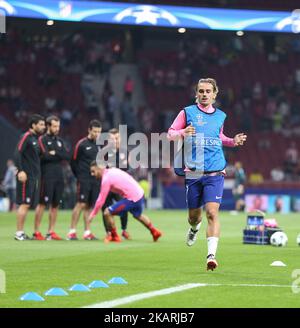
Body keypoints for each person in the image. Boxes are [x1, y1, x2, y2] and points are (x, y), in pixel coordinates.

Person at [167, 78, 247, 271]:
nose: (204, 94)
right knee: (194, 217)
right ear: (197, 93)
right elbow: (170, 134)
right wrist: (183, 132)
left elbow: (219, 137)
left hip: (215, 171)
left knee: (212, 212)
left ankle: (211, 255)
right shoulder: (187, 112)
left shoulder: (220, 116)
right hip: (193, 173)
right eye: (201, 91)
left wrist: (232, 141)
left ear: (214, 94)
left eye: (208, 91)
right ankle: (194, 229)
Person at [88, 161, 162, 243]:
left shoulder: (106, 179)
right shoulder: (113, 170)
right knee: (138, 215)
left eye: (93, 171)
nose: (92, 174)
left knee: (107, 212)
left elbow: (101, 199)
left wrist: (93, 214)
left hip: (132, 197)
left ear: (100, 168)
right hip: (139, 193)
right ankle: (155, 232)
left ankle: (114, 236)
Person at [33, 116, 70, 240]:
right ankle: (36, 231)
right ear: (48, 126)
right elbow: (44, 156)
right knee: (42, 203)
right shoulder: (42, 139)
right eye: (54, 126)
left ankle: (51, 232)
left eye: (58, 126)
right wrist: (56, 154)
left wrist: (55, 153)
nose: (57, 129)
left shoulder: (60, 141)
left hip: (59, 176)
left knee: (55, 205)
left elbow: (66, 155)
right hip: (46, 176)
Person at [68, 120, 102, 240]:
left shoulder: (99, 145)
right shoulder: (81, 144)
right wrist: (79, 175)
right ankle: (72, 231)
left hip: (95, 180)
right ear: (89, 130)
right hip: (84, 179)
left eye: (99, 132)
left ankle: (87, 232)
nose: (97, 134)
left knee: (88, 206)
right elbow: (73, 161)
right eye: (94, 131)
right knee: (81, 204)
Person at [14, 114, 46, 240]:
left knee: (27, 204)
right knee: (24, 204)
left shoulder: (35, 139)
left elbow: (40, 155)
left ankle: (21, 232)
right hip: (26, 177)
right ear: (33, 125)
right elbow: (17, 153)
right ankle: (19, 233)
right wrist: (20, 171)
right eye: (41, 124)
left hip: (33, 177)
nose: (43, 127)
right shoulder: (26, 136)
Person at [101, 128, 131, 240]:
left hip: (120, 186)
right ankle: (109, 232)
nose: (115, 140)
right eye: (113, 138)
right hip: (108, 186)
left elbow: (126, 167)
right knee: (105, 209)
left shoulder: (125, 151)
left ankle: (124, 230)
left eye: (117, 138)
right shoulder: (104, 152)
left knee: (124, 207)